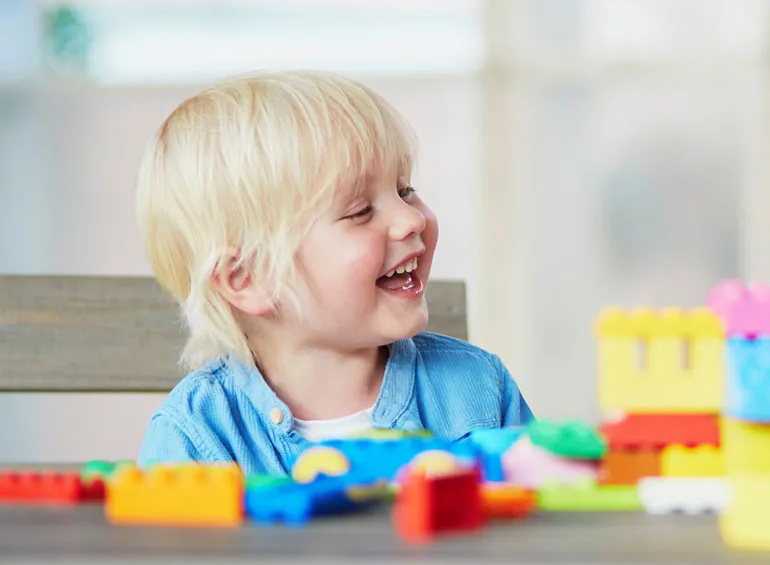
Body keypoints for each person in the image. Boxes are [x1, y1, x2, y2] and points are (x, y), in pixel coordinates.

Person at [136, 71, 532, 475]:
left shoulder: (479, 388)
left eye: (404, 190)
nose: (410, 218)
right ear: (249, 278)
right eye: (361, 211)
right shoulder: (196, 437)